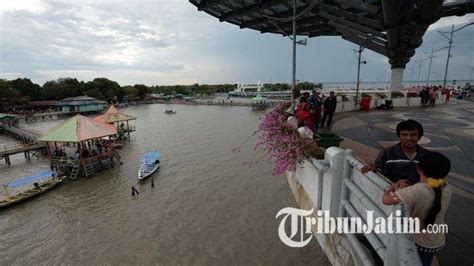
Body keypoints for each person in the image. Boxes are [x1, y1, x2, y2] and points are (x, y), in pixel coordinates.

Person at [382, 152, 452, 266]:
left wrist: (393, 186)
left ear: (418, 168)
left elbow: (386, 200)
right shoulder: (446, 186)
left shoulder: (417, 190)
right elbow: (428, 191)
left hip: (419, 240)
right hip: (435, 238)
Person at [362, 119, 431, 184]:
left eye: (413, 134)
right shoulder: (387, 153)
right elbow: (379, 170)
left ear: (420, 136)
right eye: (404, 134)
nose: (408, 138)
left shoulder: (428, 156)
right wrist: (375, 166)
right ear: (399, 136)